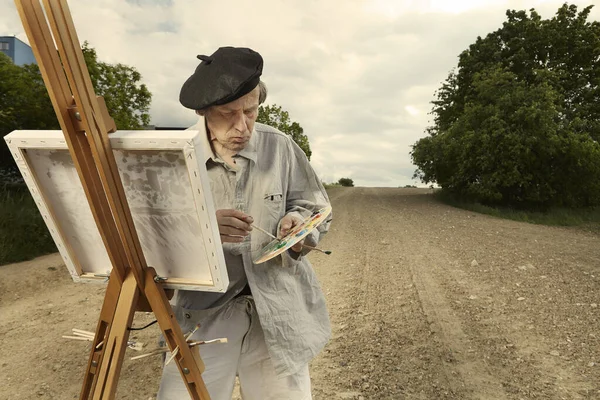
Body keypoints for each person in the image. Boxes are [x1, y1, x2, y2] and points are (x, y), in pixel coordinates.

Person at [157, 46, 332, 400]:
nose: (243, 126)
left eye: (250, 112)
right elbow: (151, 231)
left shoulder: (280, 147)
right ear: (203, 111)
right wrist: (201, 227)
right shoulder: (172, 157)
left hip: (277, 307)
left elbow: (314, 206)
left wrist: (299, 226)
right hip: (203, 312)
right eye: (228, 113)